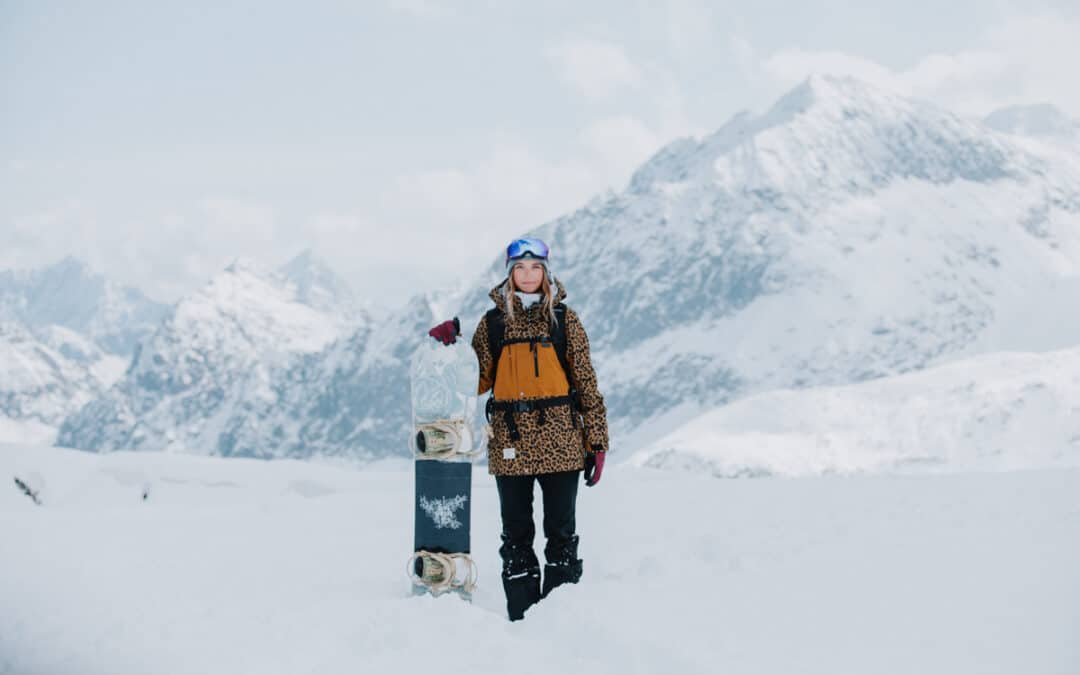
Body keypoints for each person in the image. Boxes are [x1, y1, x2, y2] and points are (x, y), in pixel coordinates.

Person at [427, 237, 608, 621]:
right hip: (511, 443)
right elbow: (475, 381)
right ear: (510, 274)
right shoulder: (493, 323)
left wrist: (597, 442)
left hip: (561, 440)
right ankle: (523, 618)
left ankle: (562, 619)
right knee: (516, 536)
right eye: (520, 269)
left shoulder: (565, 320)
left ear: (546, 273)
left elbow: (586, 384)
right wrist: (453, 347)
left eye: (535, 268)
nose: (528, 275)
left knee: (561, 535)